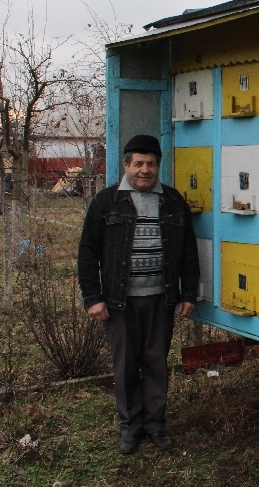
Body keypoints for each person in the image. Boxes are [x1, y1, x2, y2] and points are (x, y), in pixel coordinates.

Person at [78, 135, 200, 454]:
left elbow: (188, 251)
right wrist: (93, 298)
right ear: (126, 165)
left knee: (157, 362)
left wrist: (188, 293)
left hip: (161, 298)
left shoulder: (173, 201)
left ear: (158, 166)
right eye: (138, 164)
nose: (144, 170)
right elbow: (87, 253)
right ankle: (131, 426)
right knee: (126, 365)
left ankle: (156, 425)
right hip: (120, 302)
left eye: (151, 164)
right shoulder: (106, 202)